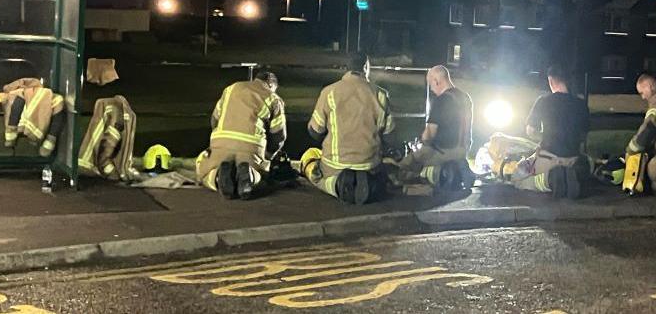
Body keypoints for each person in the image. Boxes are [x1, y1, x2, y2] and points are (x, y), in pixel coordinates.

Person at [300, 53, 394, 204]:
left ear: (347, 68)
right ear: (366, 68)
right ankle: (366, 183)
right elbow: (389, 135)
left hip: (335, 165)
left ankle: (335, 185)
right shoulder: (381, 94)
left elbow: (314, 131)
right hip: (370, 165)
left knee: (311, 157)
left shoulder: (329, 92)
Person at [195, 69, 286, 200]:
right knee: (262, 175)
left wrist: (217, 143)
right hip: (251, 149)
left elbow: (214, 120)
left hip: (222, 144)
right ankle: (250, 175)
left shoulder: (231, 89)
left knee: (203, 171)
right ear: (271, 85)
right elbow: (279, 136)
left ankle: (218, 176)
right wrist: (268, 156)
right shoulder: (274, 99)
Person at [506, 65, 589, 199]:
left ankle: (550, 181)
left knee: (518, 177)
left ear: (551, 81)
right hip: (574, 158)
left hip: (549, 157)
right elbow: (583, 135)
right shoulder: (581, 104)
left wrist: (543, 138)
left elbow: (531, 131)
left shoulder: (543, 101)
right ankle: (569, 175)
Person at [394, 65, 473, 191]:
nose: (431, 89)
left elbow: (429, 133)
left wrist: (421, 144)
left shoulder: (441, 100)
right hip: (463, 149)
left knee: (408, 163)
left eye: (430, 84)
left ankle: (419, 176)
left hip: (444, 151)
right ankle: (459, 167)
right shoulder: (465, 97)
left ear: (436, 81)